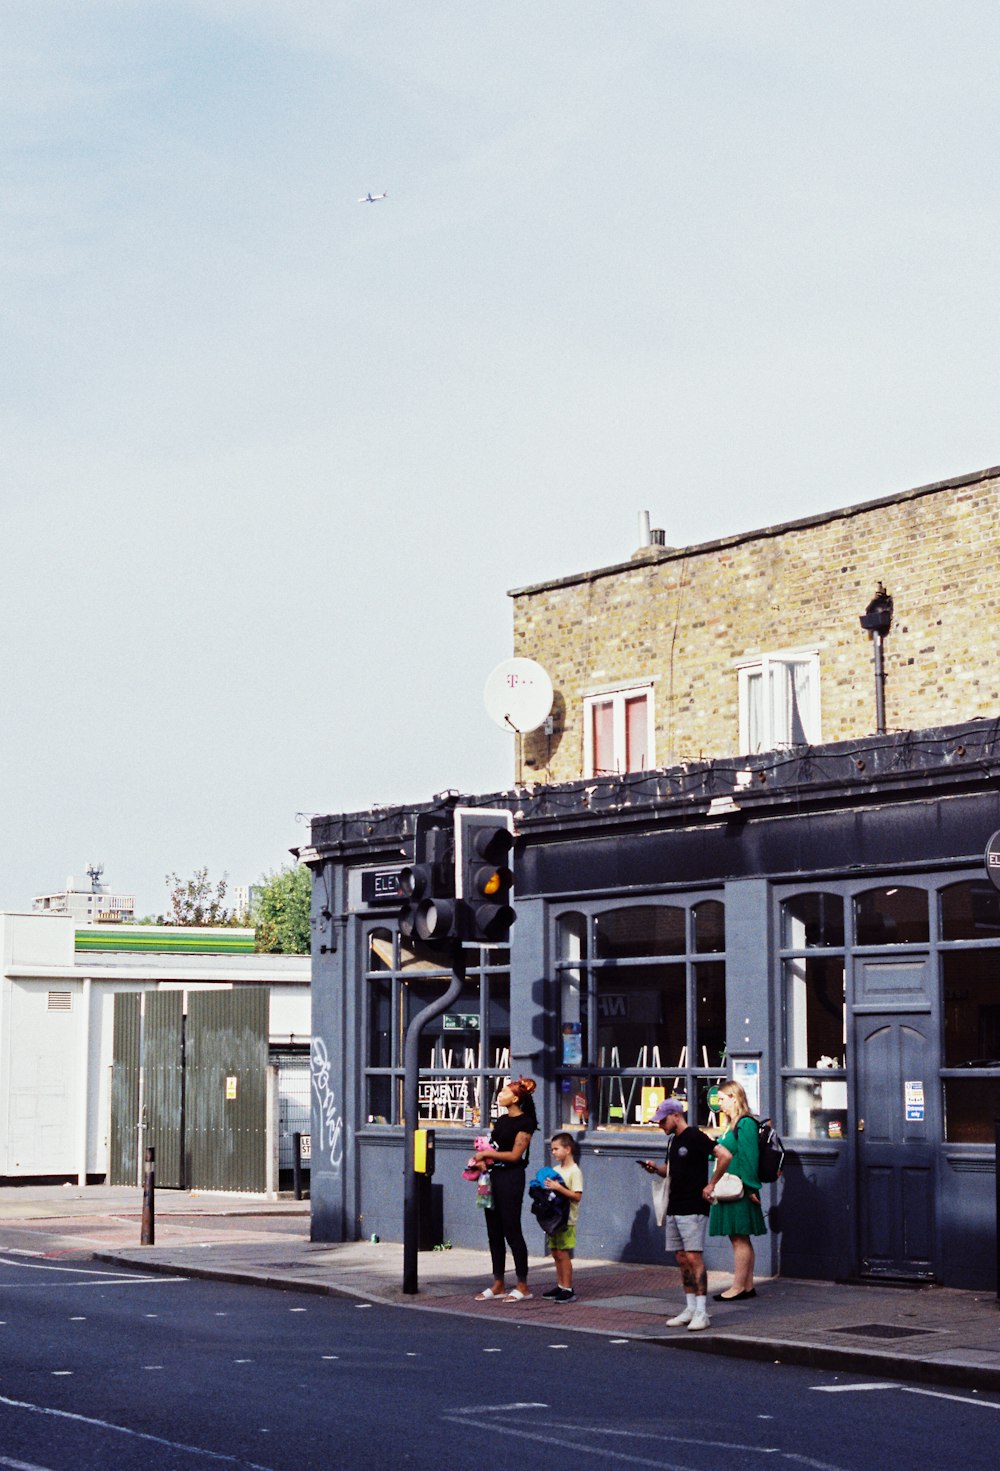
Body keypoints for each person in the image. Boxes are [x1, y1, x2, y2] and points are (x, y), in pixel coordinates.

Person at [641, 1098, 726, 1332]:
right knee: (680, 1258)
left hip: (693, 1206)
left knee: (693, 1258)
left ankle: (701, 1311)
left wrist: (711, 1185)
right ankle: (689, 1307)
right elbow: (670, 1169)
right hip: (675, 1205)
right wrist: (655, 1168)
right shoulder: (672, 1141)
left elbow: (724, 1155)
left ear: (676, 1115)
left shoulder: (696, 1136)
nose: (660, 1125)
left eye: (663, 1120)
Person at [472, 1077, 538, 1301]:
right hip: (491, 1176)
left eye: (504, 1092)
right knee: (494, 1231)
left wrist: (487, 1155)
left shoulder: (526, 1123)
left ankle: (522, 1285)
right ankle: (498, 1282)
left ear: (516, 1098)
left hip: (511, 1177)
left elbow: (514, 1155)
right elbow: (492, 1145)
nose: (500, 1095)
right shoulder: (500, 1121)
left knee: (512, 1229)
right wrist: (482, 1160)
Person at [703, 1079, 767, 1301]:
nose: (719, 1103)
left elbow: (750, 1158)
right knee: (740, 1238)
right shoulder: (731, 1125)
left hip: (739, 1190)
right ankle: (747, 1286)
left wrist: (751, 1188)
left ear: (734, 1097)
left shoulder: (745, 1124)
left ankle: (738, 1287)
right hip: (733, 1188)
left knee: (739, 1239)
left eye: (722, 1099)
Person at [542, 1132, 584, 1303]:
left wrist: (558, 1188)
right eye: (552, 1150)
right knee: (555, 1252)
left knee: (563, 1253)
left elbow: (577, 1195)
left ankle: (568, 1288)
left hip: (567, 1219)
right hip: (554, 1218)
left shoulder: (575, 1171)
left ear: (568, 1149)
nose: (553, 1153)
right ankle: (560, 1285)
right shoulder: (555, 1171)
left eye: (556, 1149)